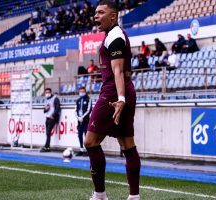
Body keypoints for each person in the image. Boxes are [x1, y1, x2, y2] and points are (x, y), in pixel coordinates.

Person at [85, 1, 141, 200]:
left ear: (113, 16)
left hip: (113, 94)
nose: (96, 16)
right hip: (124, 91)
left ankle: (100, 195)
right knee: (127, 144)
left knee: (90, 142)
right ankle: (134, 197)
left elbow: (118, 70)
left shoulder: (115, 36)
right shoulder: (113, 35)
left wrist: (120, 99)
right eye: (95, 13)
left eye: (101, 12)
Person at [40, 88, 61, 152]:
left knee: (48, 132)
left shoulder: (55, 98)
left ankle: (47, 146)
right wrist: (46, 109)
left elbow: (57, 108)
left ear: (51, 92)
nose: (47, 94)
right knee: (47, 133)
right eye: (46, 92)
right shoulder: (46, 99)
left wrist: (53, 115)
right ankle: (47, 146)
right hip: (47, 117)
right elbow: (44, 110)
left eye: (48, 92)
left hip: (52, 118)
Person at [75, 86, 92, 156]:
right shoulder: (78, 100)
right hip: (79, 121)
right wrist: (78, 117)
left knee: (86, 135)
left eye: (83, 91)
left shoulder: (88, 99)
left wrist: (82, 117)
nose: (81, 93)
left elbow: (89, 110)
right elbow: (75, 110)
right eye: (80, 92)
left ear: (85, 92)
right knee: (79, 135)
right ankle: (81, 149)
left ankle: (88, 150)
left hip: (86, 120)